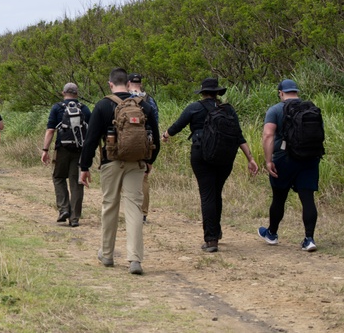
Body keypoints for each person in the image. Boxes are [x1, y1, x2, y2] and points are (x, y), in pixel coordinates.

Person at [80, 68, 160, 276]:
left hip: (110, 162)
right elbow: (156, 138)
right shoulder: (143, 105)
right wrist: (149, 161)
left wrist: (84, 167)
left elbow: (90, 139)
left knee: (110, 205)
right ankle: (135, 259)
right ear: (127, 82)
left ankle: (107, 254)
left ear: (111, 84)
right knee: (134, 208)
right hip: (136, 162)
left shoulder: (103, 105)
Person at [162, 78, 258, 252]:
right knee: (216, 192)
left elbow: (176, 126)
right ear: (217, 93)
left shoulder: (194, 108)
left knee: (207, 195)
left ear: (203, 92)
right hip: (225, 157)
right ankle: (217, 230)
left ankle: (211, 239)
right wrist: (250, 158)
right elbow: (239, 136)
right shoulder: (228, 110)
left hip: (201, 155)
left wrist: (166, 134)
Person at [258, 79, 321, 252]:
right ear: (296, 92)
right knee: (307, 198)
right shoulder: (311, 108)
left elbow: (268, 135)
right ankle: (309, 239)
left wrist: (269, 160)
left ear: (281, 93)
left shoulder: (275, 109)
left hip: (284, 159)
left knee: (279, 197)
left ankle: (272, 234)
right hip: (309, 158)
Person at [41, 83, 91, 227]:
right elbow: (91, 130)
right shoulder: (84, 108)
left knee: (58, 177)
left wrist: (45, 150)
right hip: (79, 150)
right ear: (76, 93)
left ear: (63, 93)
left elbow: (50, 130)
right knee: (76, 183)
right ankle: (74, 218)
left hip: (62, 149)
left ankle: (64, 209)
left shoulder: (57, 108)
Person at [127, 74, 159, 223]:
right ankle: (143, 213)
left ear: (128, 83)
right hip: (146, 142)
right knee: (144, 176)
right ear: (141, 83)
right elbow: (155, 124)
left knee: (124, 175)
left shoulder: (124, 98)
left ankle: (130, 210)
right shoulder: (149, 100)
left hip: (126, 141)